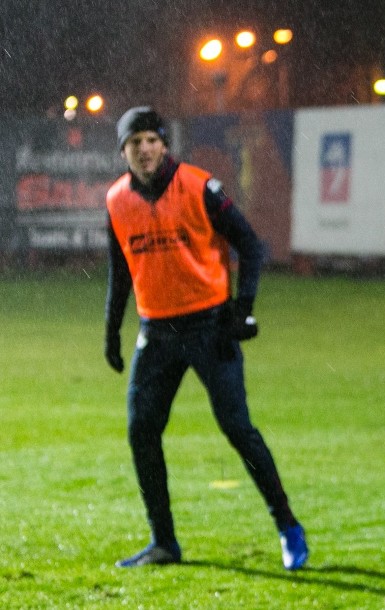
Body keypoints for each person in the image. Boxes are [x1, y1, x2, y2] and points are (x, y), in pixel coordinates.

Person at [104, 106, 308, 570]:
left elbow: (252, 246)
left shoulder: (198, 185)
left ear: (163, 143)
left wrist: (243, 308)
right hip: (156, 332)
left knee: (237, 428)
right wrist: (111, 333)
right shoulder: (116, 199)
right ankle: (164, 542)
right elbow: (119, 274)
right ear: (124, 152)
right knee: (141, 432)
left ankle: (287, 525)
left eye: (150, 140)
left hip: (207, 327)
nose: (143, 149)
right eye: (133, 143)